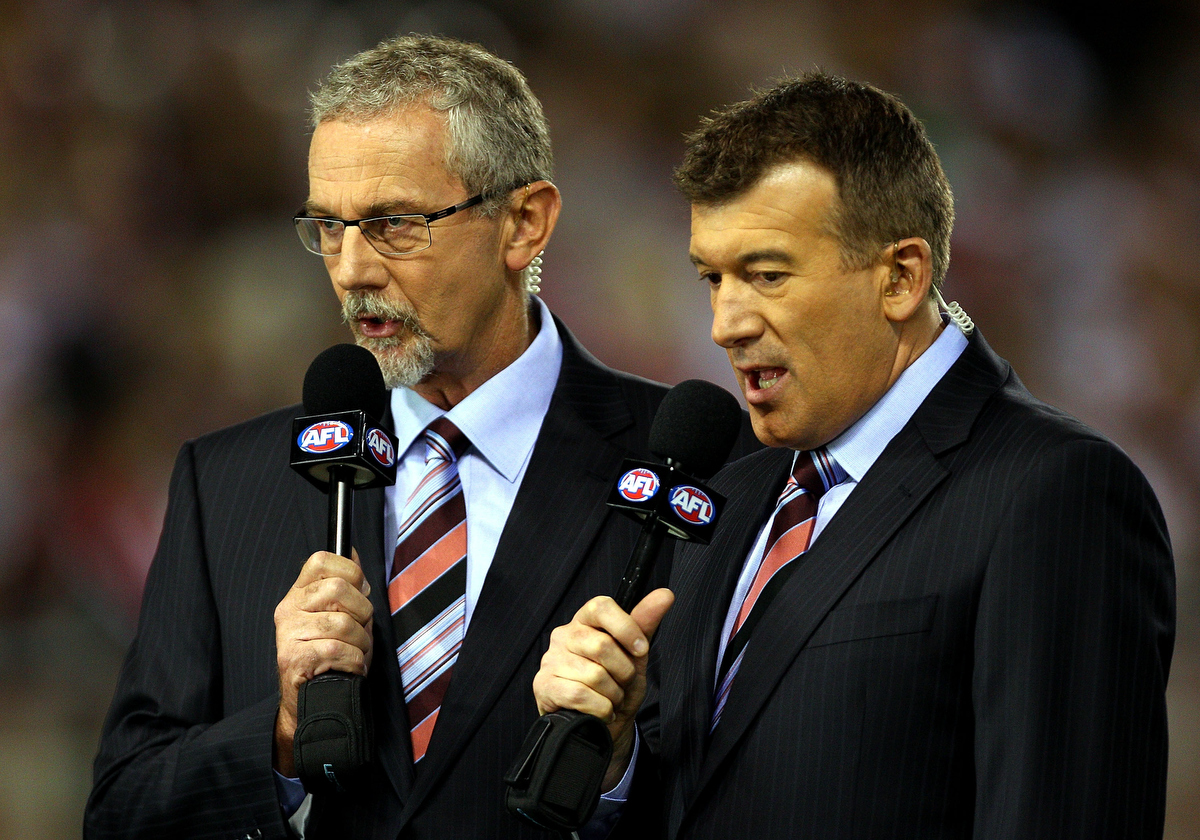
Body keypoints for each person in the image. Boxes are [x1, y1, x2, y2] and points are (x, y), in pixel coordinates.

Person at [86, 35, 753, 840]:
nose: (351, 270)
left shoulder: (711, 471)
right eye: (327, 228)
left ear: (524, 224)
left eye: (393, 223)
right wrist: (283, 737)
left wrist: (613, 774)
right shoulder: (227, 482)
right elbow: (123, 811)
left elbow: (776, 792)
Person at [534, 72, 1176, 840]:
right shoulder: (729, 498)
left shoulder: (1052, 490)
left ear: (900, 278)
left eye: (766, 275)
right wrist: (614, 766)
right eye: (712, 279)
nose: (725, 324)